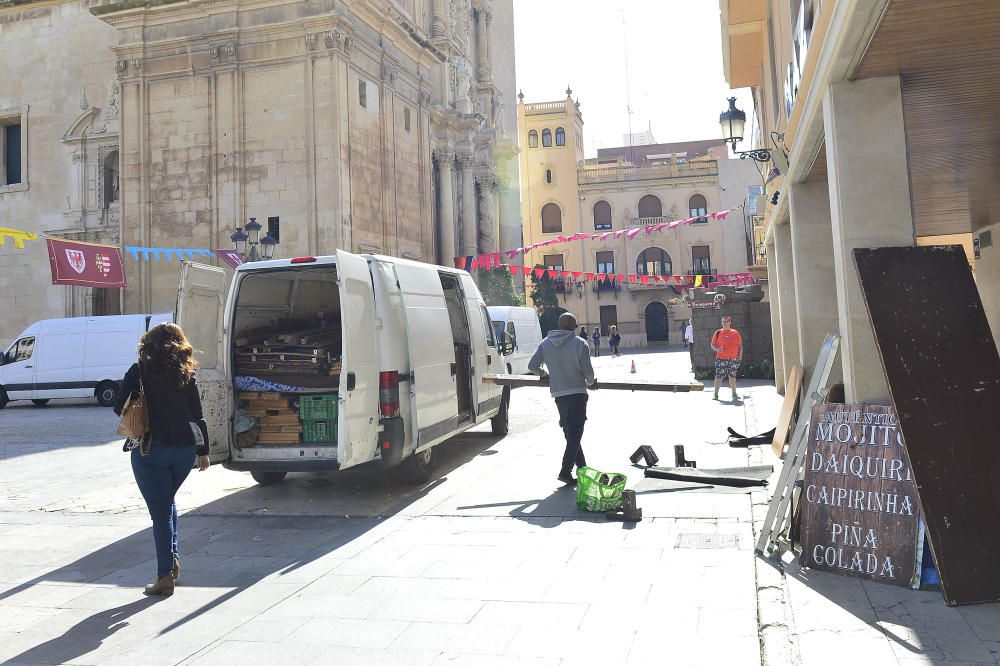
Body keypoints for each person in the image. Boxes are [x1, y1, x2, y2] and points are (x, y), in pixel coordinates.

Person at [114, 323, 211, 597]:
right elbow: (198, 414)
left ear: (149, 344)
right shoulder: (186, 372)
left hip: (150, 449)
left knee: (159, 512)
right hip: (184, 452)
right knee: (167, 502)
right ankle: (174, 561)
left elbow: (117, 406)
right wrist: (203, 451)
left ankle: (164, 576)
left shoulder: (139, 371)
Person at [528, 312, 596, 486]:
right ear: (573, 327)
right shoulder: (580, 343)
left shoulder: (545, 344)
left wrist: (545, 374)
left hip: (559, 394)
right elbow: (588, 372)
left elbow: (532, 366)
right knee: (576, 433)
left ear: (559, 325)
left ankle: (583, 469)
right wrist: (590, 382)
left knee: (570, 433)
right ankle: (565, 471)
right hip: (578, 393)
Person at [710, 315, 743, 401]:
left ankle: (734, 393)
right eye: (723, 321)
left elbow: (740, 346)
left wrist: (740, 356)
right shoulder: (718, 333)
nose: (724, 323)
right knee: (718, 377)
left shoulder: (735, 333)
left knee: (732, 376)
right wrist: (717, 349)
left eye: (726, 321)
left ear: (730, 322)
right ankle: (716, 394)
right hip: (721, 359)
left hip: (733, 359)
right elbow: (712, 345)